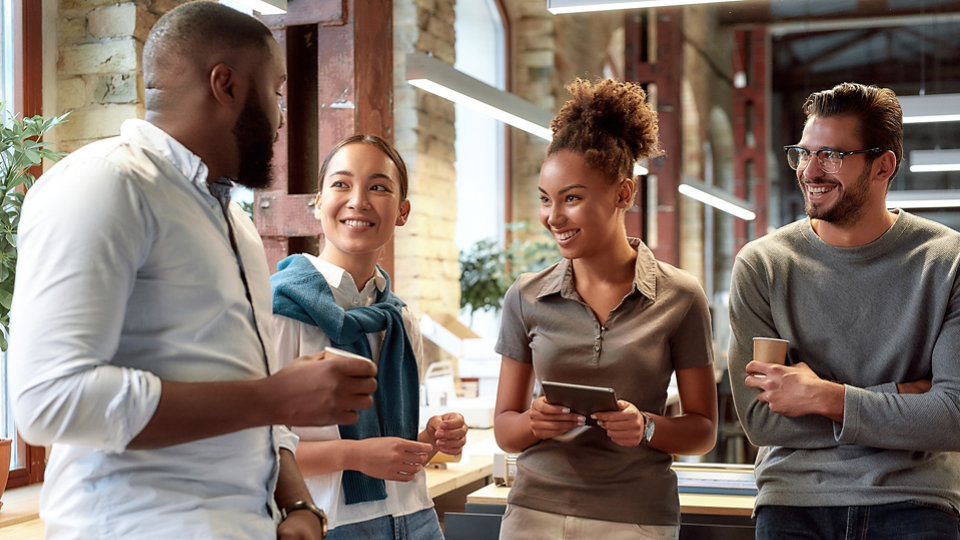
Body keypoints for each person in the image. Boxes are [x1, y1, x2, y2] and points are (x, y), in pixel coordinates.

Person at [8, 3, 378, 539]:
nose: (280, 117)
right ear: (225, 84)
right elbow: (50, 402)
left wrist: (297, 503)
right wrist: (275, 396)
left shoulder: (235, 222)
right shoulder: (103, 185)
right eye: (274, 93)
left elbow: (248, 395)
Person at [728, 82, 960, 539]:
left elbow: (952, 417)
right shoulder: (763, 265)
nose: (811, 171)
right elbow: (761, 420)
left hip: (914, 500)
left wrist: (823, 397)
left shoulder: (946, 262)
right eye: (803, 152)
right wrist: (902, 398)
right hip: (794, 499)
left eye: (832, 155)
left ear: (883, 165)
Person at [493, 78, 719, 540]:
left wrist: (647, 428)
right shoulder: (525, 295)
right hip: (533, 515)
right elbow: (505, 430)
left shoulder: (681, 296)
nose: (553, 217)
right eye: (545, 199)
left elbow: (703, 431)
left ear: (623, 194)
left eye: (571, 198)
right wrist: (534, 422)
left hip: (637, 517)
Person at [270, 134, 469, 539]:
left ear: (402, 211)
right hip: (330, 524)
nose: (358, 200)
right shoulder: (279, 308)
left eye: (378, 187)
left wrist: (430, 440)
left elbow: (387, 450)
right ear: (318, 203)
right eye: (341, 184)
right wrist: (355, 455)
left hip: (416, 516)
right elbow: (257, 449)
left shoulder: (398, 319)